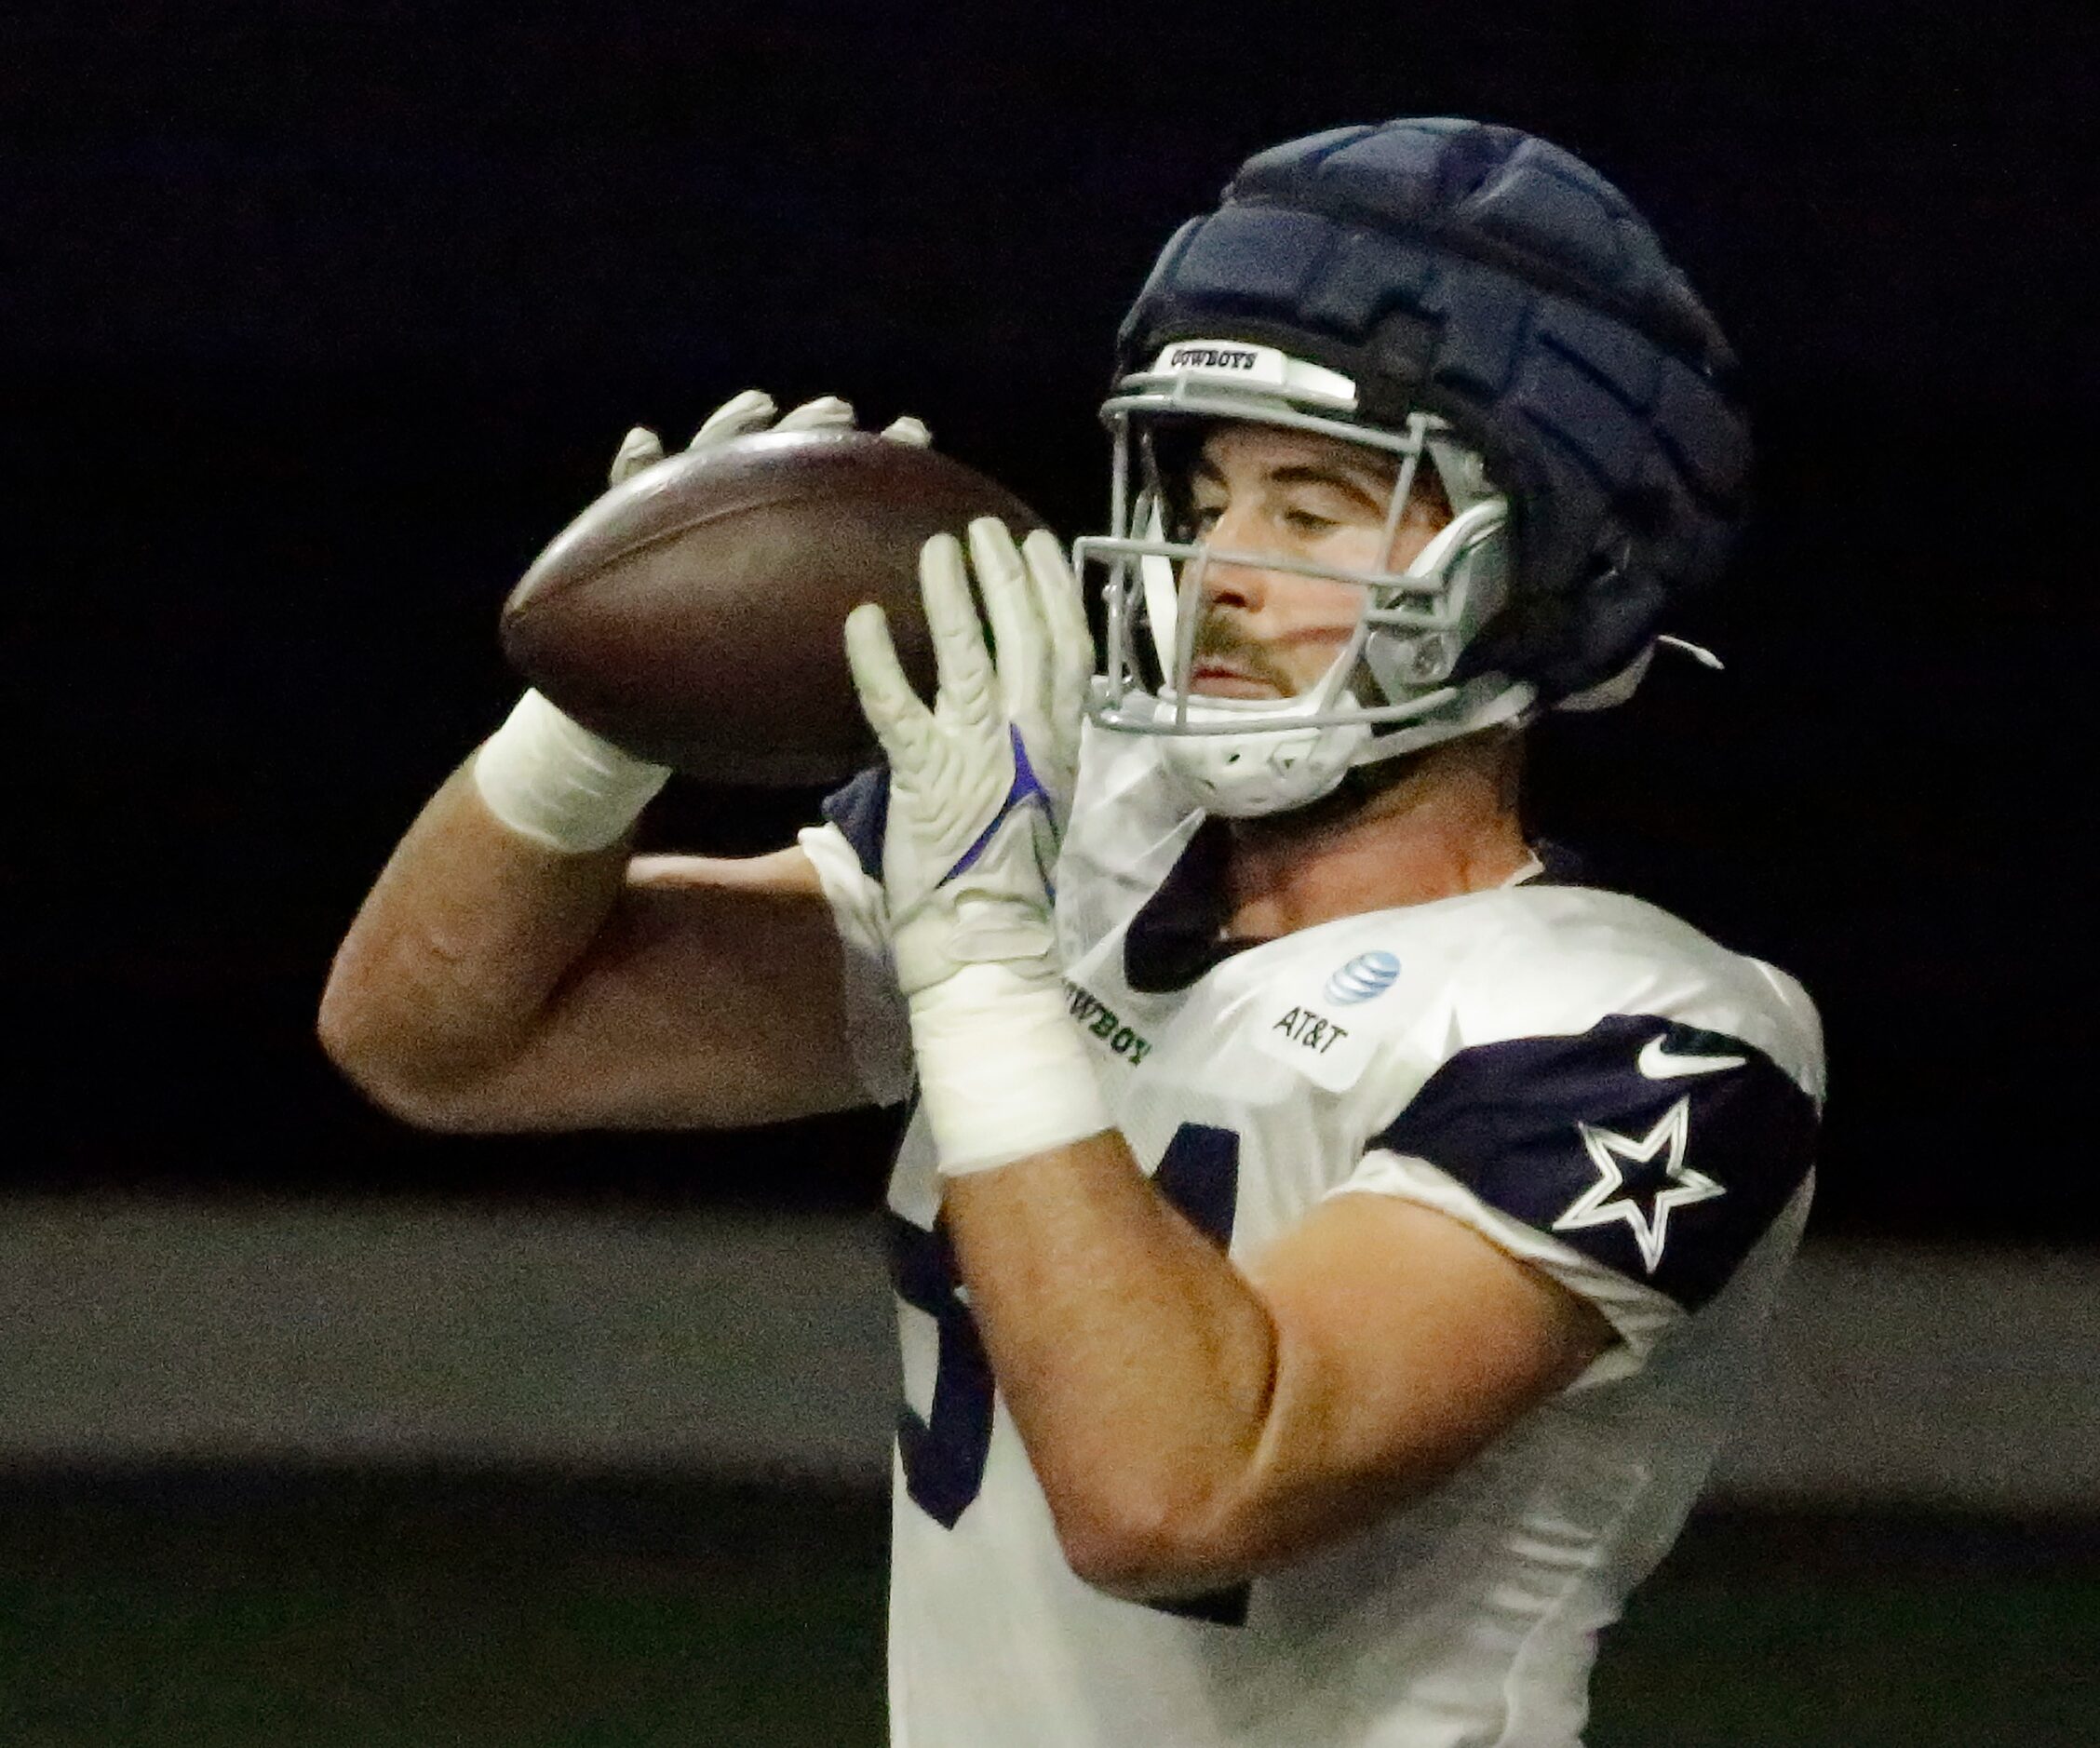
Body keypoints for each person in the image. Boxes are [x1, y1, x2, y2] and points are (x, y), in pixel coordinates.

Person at [322, 117, 1822, 1748]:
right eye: (1203, 491)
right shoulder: (1095, 836)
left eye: (1314, 512)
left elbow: (1178, 1487)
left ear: (1543, 568)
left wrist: (977, 954)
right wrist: (605, 705)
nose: (1213, 572)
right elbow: (440, 1040)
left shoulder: (1649, 1038)